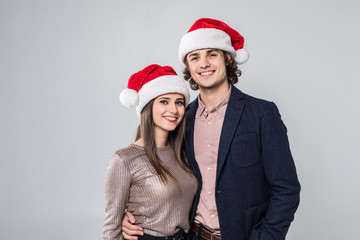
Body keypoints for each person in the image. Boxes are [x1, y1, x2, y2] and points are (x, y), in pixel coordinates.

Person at [121, 18, 301, 240]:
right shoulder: (180, 120)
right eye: (195, 57)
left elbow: (287, 190)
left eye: (212, 54)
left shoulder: (262, 114)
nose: (203, 63)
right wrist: (129, 215)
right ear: (188, 66)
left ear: (227, 58)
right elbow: (153, 175)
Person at [103, 64, 198, 240]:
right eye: (164, 101)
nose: (174, 110)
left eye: (179, 102)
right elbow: (111, 230)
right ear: (147, 107)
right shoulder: (124, 159)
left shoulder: (182, 153)